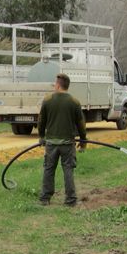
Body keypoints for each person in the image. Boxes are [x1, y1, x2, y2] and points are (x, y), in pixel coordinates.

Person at [38, 73, 87, 206]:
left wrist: (41, 136)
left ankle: (45, 199)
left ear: (58, 85)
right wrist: (83, 141)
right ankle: (70, 200)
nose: (54, 86)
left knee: (49, 170)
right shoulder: (74, 102)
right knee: (68, 170)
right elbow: (81, 124)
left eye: (55, 84)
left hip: (51, 144)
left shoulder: (47, 100)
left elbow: (41, 120)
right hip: (68, 144)